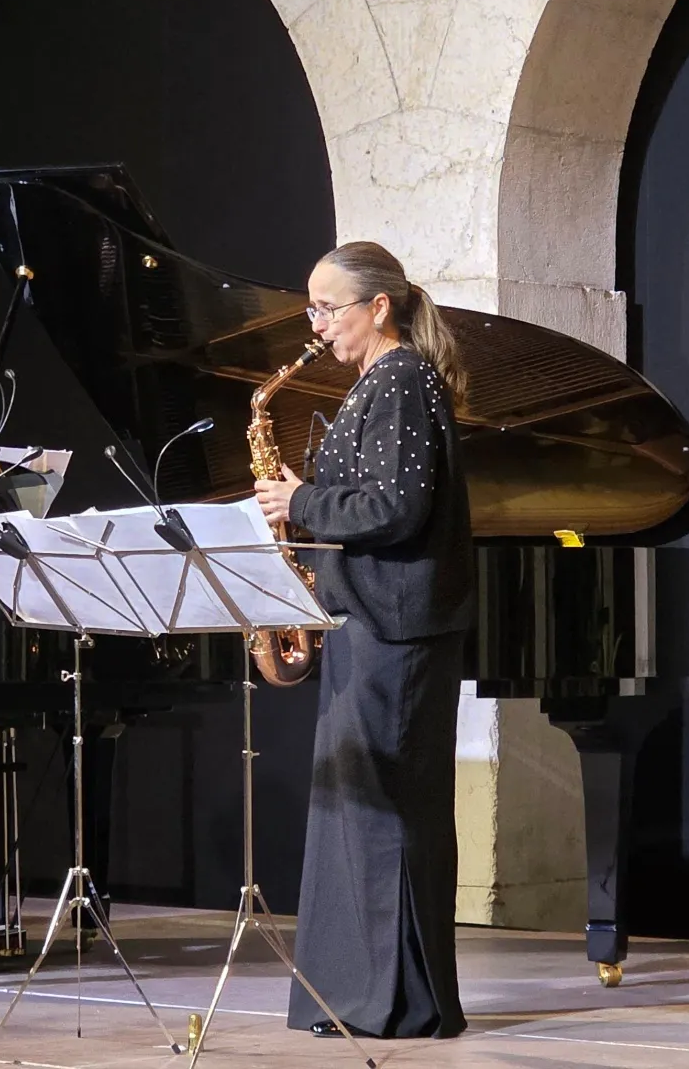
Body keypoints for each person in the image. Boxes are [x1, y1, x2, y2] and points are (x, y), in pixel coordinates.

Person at [254, 241, 473, 1039]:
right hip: (368, 623)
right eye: (311, 309)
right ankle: (360, 996)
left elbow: (396, 508)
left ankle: (396, 1003)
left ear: (378, 307)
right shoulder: (377, 384)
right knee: (359, 815)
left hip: (395, 629)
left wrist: (301, 502)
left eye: (327, 308)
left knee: (384, 815)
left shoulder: (402, 379)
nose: (316, 325)